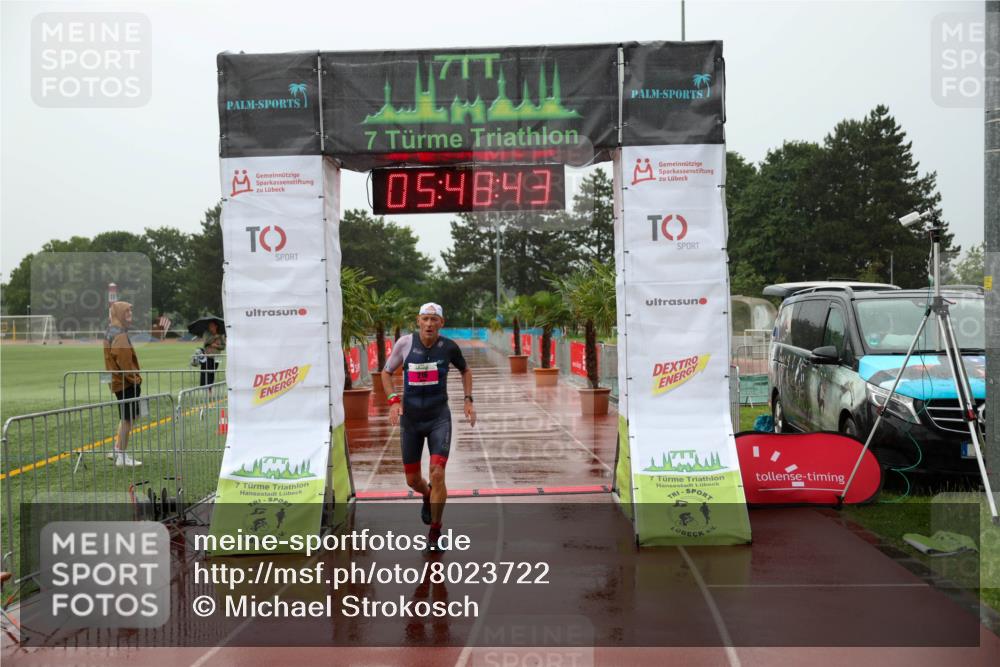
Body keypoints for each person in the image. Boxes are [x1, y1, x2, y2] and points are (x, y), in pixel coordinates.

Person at [381, 303, 476, 552]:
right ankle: (426, 494)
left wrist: (468, 400)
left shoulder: (449, 347)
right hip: (411, 420)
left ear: (441, 323)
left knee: (437, 473)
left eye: (434, 319)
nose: (430, 324)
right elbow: (386, 372)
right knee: (413, 480)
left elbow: (466, 371)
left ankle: (435, 533)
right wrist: (393, 401)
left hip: (438, 418)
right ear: (418, 321)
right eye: (425, 319)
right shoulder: (405, 344)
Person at [103, 301, 142, 467]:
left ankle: (118, 449)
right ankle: (121, 455)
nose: (130, 316)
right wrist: (135, 379)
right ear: (119, 314)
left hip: (120, 382)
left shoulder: (113, 331)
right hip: (125, 383)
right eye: (127, 313)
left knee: (129, 417)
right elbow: (124, 361)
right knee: (128, 419)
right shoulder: (119, 334)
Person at [200, 320, 226, 388]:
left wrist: (217, 346)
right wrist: (215, 336)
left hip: (216, 357)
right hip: (207, 356)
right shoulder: (206, 333)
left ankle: (210, 387)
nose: (210, 327)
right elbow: (206, 342)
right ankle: (207, 389)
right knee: (206, 373)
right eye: (209, 326)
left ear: (216, 326)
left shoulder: (221, 335)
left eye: (212, 326)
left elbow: (223, 347)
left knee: (212, 373)